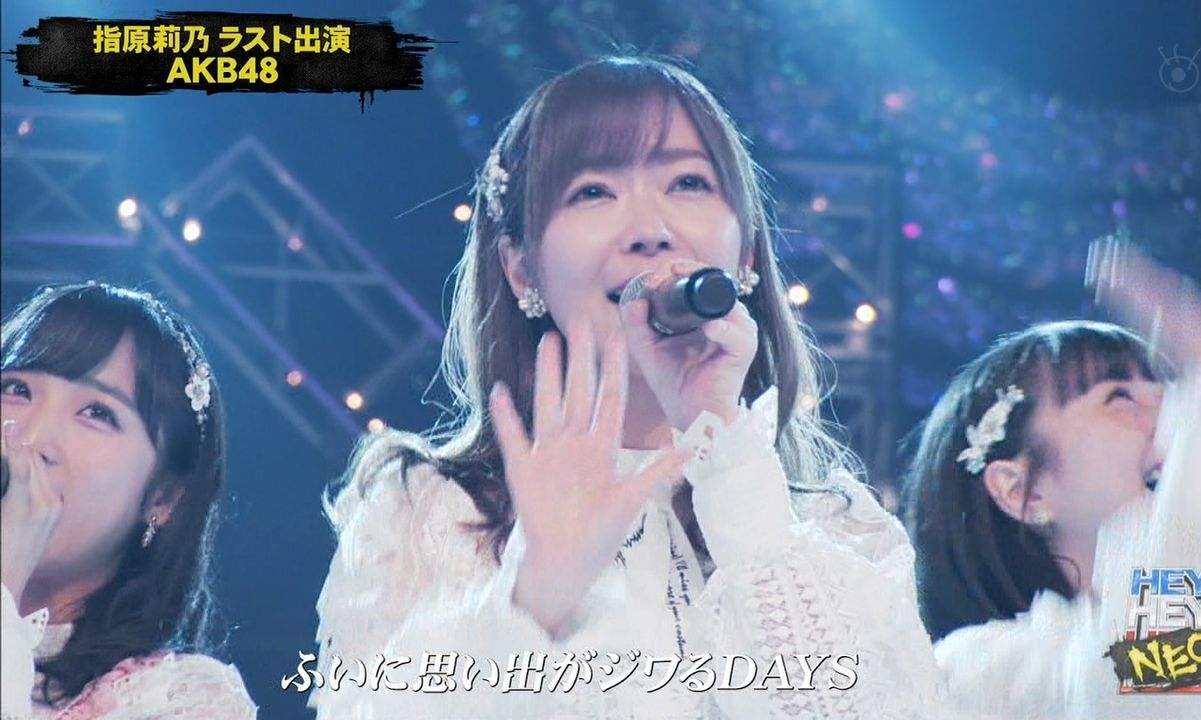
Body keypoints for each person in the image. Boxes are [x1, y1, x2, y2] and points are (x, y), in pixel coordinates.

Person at [312, 55, 943, 718]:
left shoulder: (839, 530)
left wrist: (728, 460)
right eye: (593, 191)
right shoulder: (428, 516)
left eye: (689, 183)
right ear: (521, 270)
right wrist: (537, 594)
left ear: (747, 255)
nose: (650, 231)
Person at [903, 241, 1201, 719]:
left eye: (1172, 386)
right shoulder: (987, 669)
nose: (1175, 409)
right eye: (1119, 396)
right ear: (1021, 491)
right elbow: (1177, 686)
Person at [0, 283, 256, 719]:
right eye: (17, 389)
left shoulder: (178, 701)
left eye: (97, 413)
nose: (32, 438)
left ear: (163, 497)